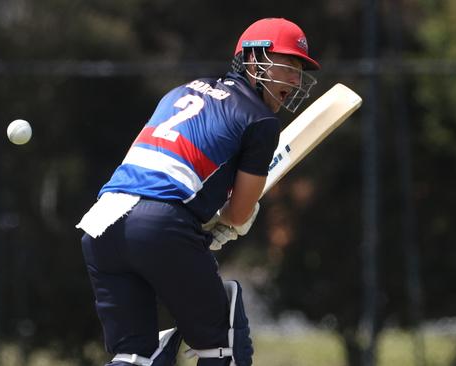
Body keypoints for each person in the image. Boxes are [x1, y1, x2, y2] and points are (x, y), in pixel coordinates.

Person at [76, 17, 320, 366]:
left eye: (300, 71)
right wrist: (231, 219)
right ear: (255, 60)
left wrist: (196, 226)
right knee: (223, 345)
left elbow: (159, 168)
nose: (296, 80)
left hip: (101, 224)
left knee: (134, 356)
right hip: (160, 225)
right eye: (289, 65)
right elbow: (237, 213)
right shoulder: (261, 121)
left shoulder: (181, 90)